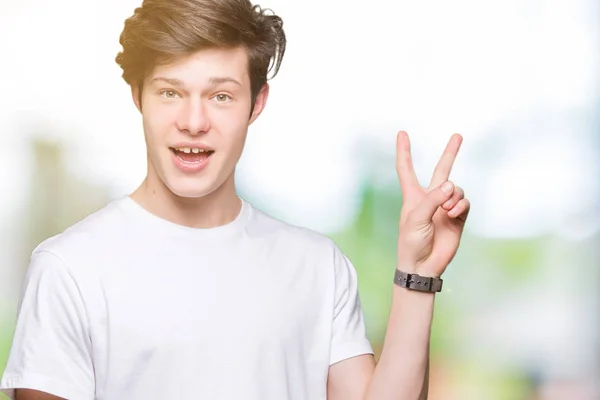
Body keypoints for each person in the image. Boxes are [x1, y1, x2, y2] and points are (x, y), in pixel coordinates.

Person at [0, 0, 471, 399]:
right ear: (138, 96)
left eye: (221, 96)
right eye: (170, 92)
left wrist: (419, 273)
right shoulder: (70, 268)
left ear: (256, 103)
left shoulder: (317, 266)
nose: (193, 120)